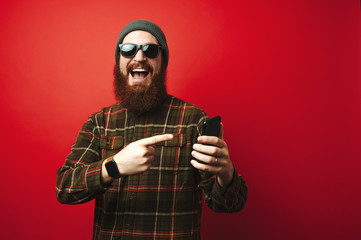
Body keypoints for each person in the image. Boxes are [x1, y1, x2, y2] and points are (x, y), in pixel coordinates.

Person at [56, 19, 248, 240]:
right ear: (118, 61)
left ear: (162, 62)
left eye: (150, 50)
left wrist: (226, 173)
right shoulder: (100, 122)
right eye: (128, 50)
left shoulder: (193, 119)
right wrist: (114, 166)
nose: (139, 57)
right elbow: (64, 188)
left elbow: (227, 204)